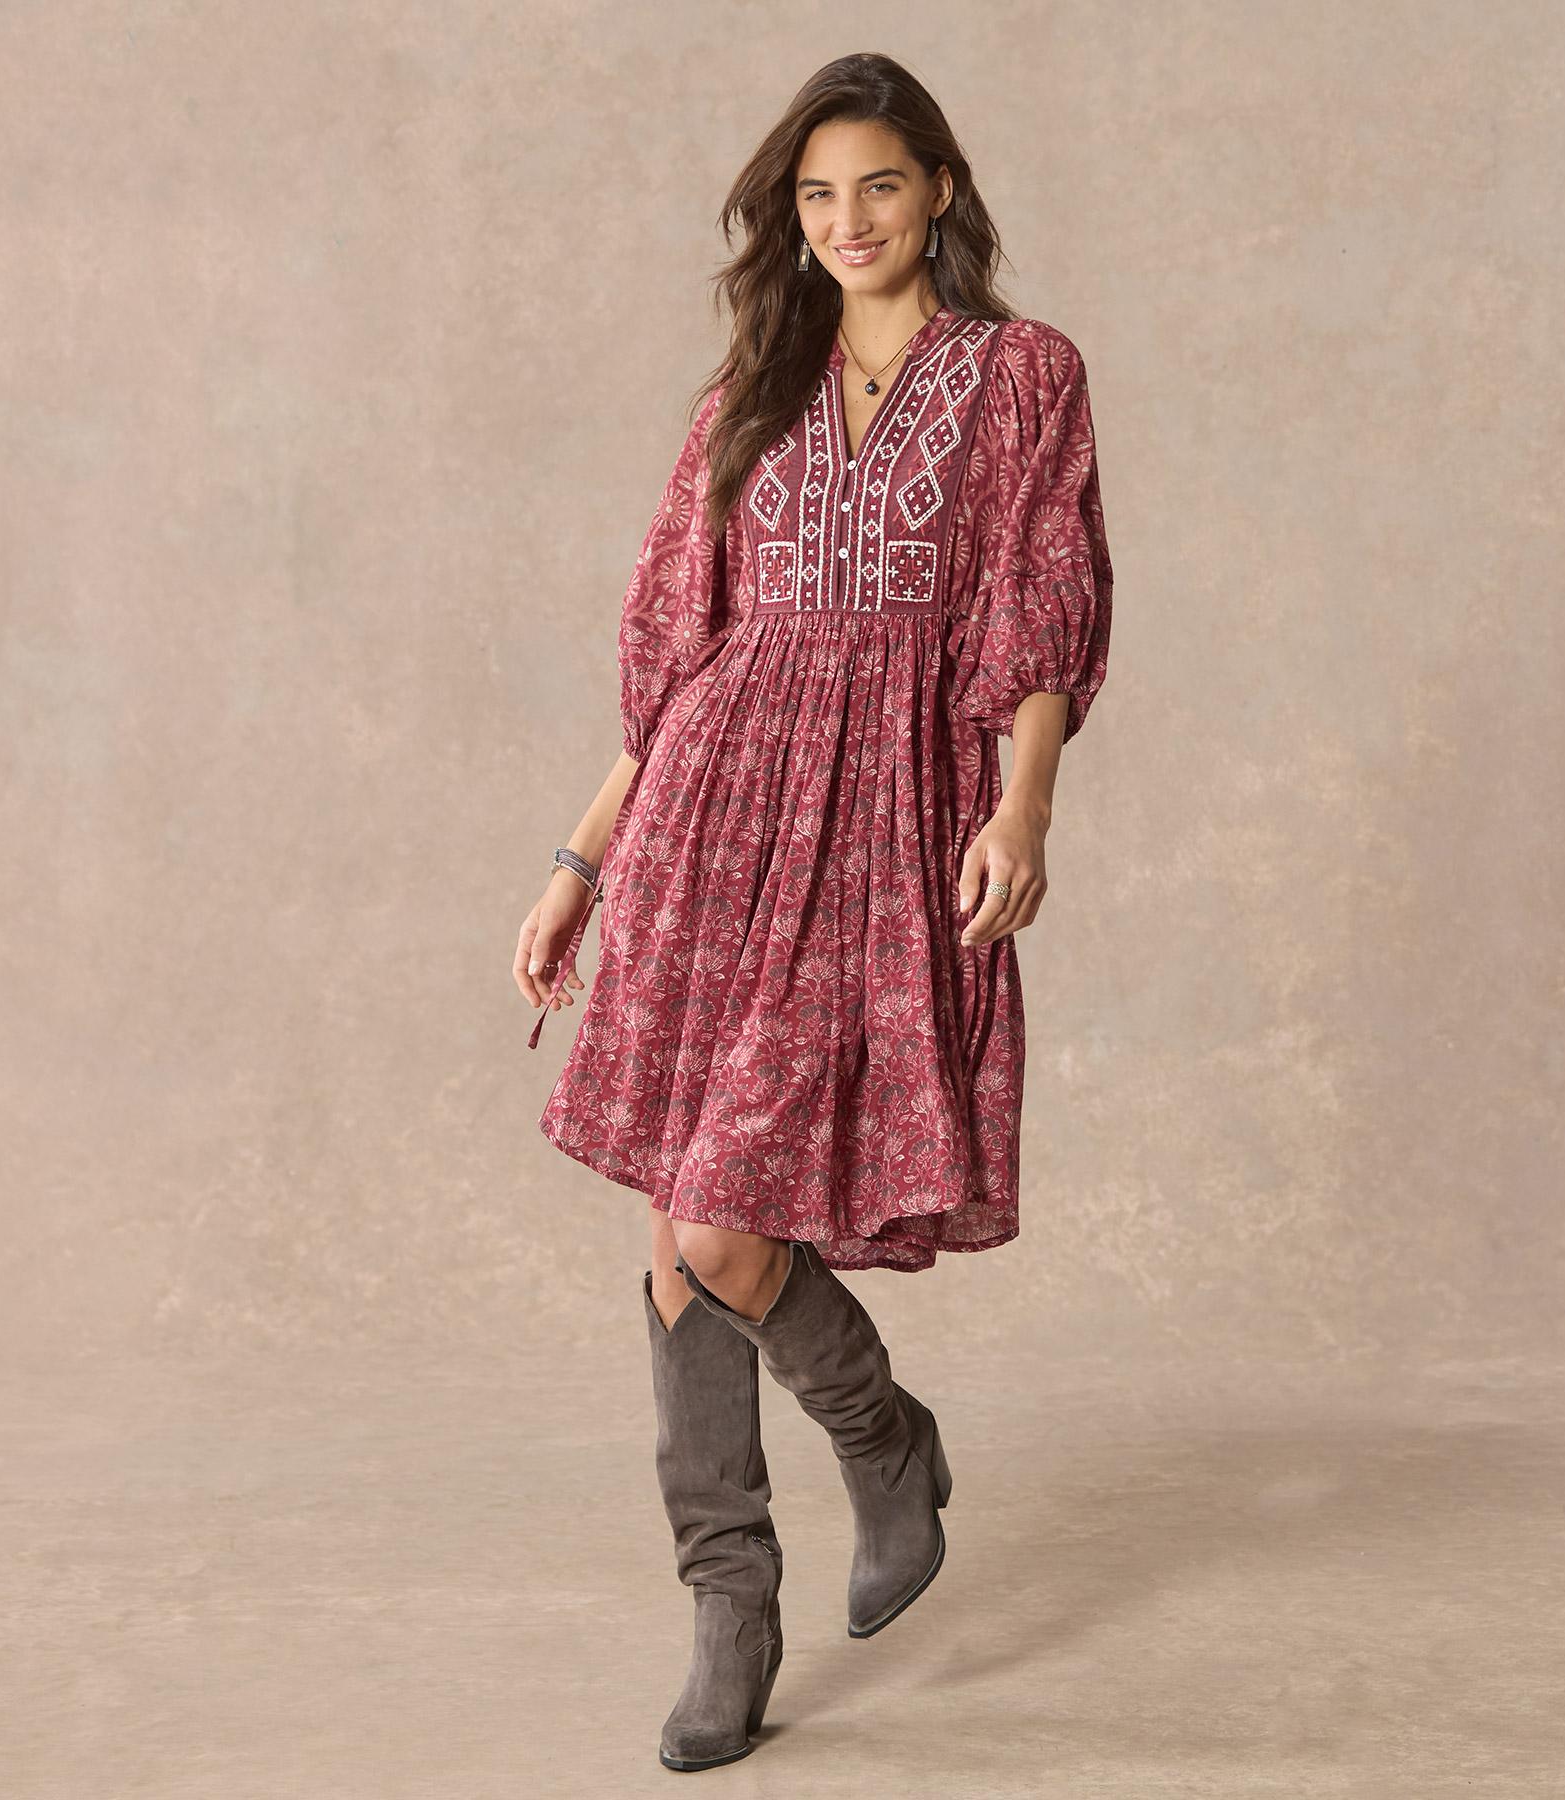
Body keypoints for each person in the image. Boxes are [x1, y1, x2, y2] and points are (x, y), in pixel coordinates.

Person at [513, 52, 1113, 1774]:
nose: (849, 222)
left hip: (880, 830)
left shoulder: (1020, 374)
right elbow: (679, 666)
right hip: (707, 830)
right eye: (817, 195)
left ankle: (882, 1437)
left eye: (881, 186)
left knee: (723, 1225)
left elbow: (1044, 600)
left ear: (940, 192)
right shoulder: (752, 392)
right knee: (677, 1235)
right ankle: (731, 1605)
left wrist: (1023, 803)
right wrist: (578, 867)